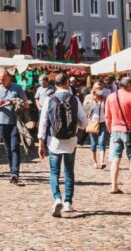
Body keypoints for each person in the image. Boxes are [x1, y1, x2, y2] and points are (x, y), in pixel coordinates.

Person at [38, 73, 86, 217]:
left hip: (54, 141)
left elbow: (43, 122)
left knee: (54, 172)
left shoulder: (49, 99)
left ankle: (57, 197)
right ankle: (68, 202)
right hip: (70, 141)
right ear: (67, 83)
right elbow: (84, 123)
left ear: (55, 84)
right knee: (69, 171)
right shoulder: (74, 100)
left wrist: (41, 142)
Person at [0, 68, 29, 185]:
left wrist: (15, 102)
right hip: (2, 122)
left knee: (14, 147)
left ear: (9, 78)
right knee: (7, 148)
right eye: (0, 80)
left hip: (15, 122)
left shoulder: (17, 88)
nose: (2, 82)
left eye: (4, 80)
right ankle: (12, 170)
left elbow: (26, 104)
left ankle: (15, 173)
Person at [105, 76, 131, 194]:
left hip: (115, 130)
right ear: (129, 85)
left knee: (115, 159)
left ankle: (114, 186)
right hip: (129, 131)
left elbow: (107, 116)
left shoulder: (110, 97)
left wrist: (110, 129)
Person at [84, 81, 107, 169]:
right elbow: (85, 110)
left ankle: (102, 161)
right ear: (94, 89)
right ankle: (94, 161)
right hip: (92, 122)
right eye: (98, 88)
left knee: (102, 142)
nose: (100, 90)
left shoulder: (104, 98)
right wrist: (93, 100)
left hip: (102, 122)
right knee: (93, 143)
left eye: (101, 88)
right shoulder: (88, 98)